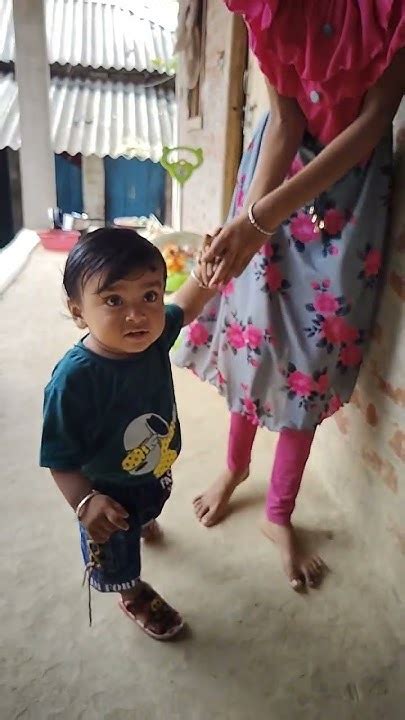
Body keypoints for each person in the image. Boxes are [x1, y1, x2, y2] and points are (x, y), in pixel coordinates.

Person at [173, 1, 405, 590]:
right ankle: (235, 466)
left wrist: (259, 220)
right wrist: (252, 220)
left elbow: (372, 125)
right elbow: (284, 120)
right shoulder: (270, 7)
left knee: (311, 357)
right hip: (274, 177)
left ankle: (278, 511)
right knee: (254, 331)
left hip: (351, 195)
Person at [40, 228, 214, 640]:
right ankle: (132, 593)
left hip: (154, 468)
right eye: (114, 300)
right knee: (117, 553)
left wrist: (206, 273)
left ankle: (146, 520)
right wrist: (85, 502)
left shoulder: (153, 338)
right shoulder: (73, 381)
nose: (137, 315)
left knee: (150, 505)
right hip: (107, 493)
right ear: (79, 311)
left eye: (149, 296)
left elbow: (186, 304)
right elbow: (60, 459)